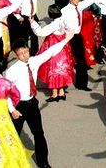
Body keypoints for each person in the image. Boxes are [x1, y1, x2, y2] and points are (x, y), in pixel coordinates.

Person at [5, 35, 73, 168]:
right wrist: (12, 110)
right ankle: (9, 162)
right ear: (16, 54)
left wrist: (66, 40)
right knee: (12, 135)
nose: (24, 56)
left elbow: (51, 51)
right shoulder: (11, 71)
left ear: (28, 49)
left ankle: (43, 163)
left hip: (32, 103)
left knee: (39, 133)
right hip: (18, 105)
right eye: (20, 54)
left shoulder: (34, 61)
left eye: (26, 52)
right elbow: (6, 93)